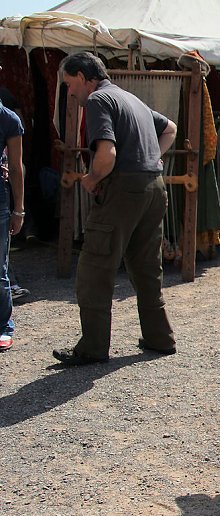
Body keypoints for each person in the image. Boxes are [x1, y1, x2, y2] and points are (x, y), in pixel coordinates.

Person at [52, 52, 177, 366]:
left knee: (95, 268)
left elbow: (106, 155)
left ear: (84, 77)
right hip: (154, 186)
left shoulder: (98, 100)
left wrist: (92, 178)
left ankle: (93, 348)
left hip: (123, 189)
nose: (70, 92)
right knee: (147, 267)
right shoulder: (130, 98)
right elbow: (170, 129)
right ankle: (159, 338)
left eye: (70, 84)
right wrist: (153, 159)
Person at [0, 65, 24, 352]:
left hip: (0, 199)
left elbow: (17, 168)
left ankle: (4, 326)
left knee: (0, 268)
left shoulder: (8, 118)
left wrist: (19, 210)